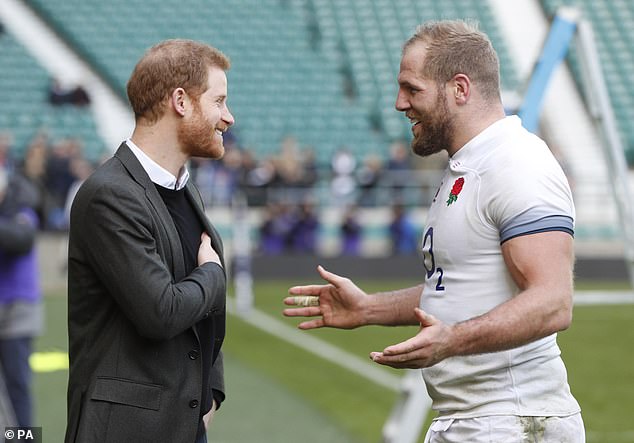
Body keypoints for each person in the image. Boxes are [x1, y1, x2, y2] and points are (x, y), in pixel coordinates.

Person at [284, 20, 584, 442]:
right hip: (476, 419)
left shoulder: (517, 164)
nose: (398, 103)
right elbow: (456, 288)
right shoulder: (467, 166)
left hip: (513, 421)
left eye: (412, 88)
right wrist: (369, 308)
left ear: (459, 88)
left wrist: (453, 341)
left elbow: (554, 302)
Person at [65, 39, 234, 443]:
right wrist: (213, 273)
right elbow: (161, 311)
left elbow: (201, 323)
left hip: (184, 424)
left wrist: (210, 392)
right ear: (180, 101)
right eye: (219, 101)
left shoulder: (182, 188)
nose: (228, 117)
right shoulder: (110, 194)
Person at [0, 166, 43, 428]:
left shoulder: (22, 209)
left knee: (17, 385)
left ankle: (24, 438)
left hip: (18, 309)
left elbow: (21, 239)